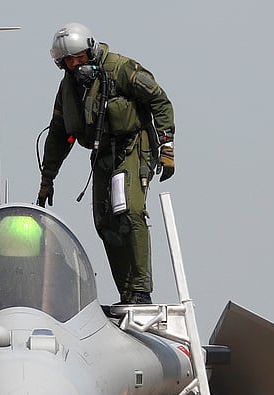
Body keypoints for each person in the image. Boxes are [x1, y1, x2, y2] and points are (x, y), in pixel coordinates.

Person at [36, 22, 175, 306]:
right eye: (69, 62)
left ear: (91, 51)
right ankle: (127, 293)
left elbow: (159, 101)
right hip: (102, 155)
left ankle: (140, 289)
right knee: (105, 221)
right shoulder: (68, 90)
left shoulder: (121, 69)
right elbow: (59, 133)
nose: (75, 66)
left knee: (129, 210)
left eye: (79, 58)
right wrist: (47, 179)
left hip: (133, 146)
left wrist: (166, 145)